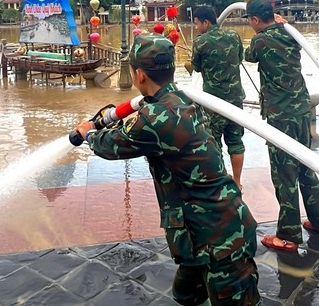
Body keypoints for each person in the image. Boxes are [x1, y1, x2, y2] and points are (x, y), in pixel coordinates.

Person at [74, 34, 260, 305]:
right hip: (204, 228)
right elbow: (141, 122)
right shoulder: (184, 101)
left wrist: (88, 132)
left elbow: (108, 145)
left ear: (139, 75)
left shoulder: (154, 120)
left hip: (220, 238)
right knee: (186, 294)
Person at [243, 0, 319, 252]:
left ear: (255, 20)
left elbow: (248, 56)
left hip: (281, 117)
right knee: (305, 166)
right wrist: (285, 24)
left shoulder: (259, 40)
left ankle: (288, 235)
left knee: (284, 175)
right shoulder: (290, 34)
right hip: (303, 111)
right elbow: (297, 41)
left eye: (250, 21)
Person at [187, 5, 247, 189]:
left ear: (206, 22)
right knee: (236, 141)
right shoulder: (234, 36)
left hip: (214, 102)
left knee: (214, 143)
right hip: (236, 99)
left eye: (197, 23)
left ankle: (222, 182)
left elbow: (196, 67)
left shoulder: (200, 42)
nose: (196, 27)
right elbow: (240, 57)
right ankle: (237, 181)